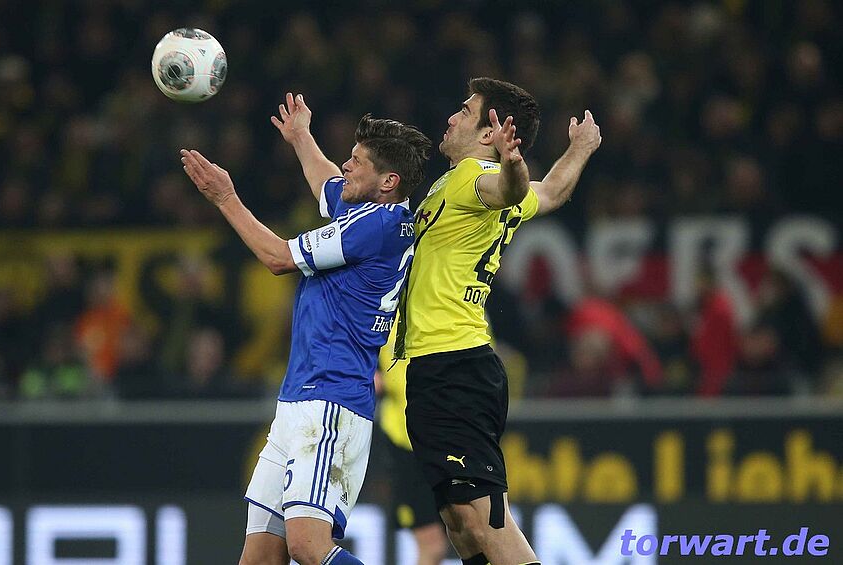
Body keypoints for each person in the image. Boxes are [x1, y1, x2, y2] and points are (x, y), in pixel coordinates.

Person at [180, 95, 431, 565]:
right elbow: (327, 184)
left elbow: (278, 258)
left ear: (388, 181)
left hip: (331, 402)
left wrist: (226, 199)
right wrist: (301, 137)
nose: (345, 166)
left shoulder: (375, 227)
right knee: (260, 557)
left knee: (308, 547)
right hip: (299, 401)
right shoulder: (369, 212)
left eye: (357, 161)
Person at [394, 78, 602, 565]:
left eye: (465, 112)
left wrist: (512, 165)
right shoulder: (459, 182)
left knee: (484, 519)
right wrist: (581, 148)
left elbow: (511, 188)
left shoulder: (476, 177)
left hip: (453, 364)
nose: (452, 118)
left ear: (490, 132)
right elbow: (550, 193)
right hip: (440, 367)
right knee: (460, 523)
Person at [375, 332, 449, 565]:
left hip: (450, 441)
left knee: (469, 534)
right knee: (433, 545)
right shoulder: (385, 316)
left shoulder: (459, 315)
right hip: (405, 444)